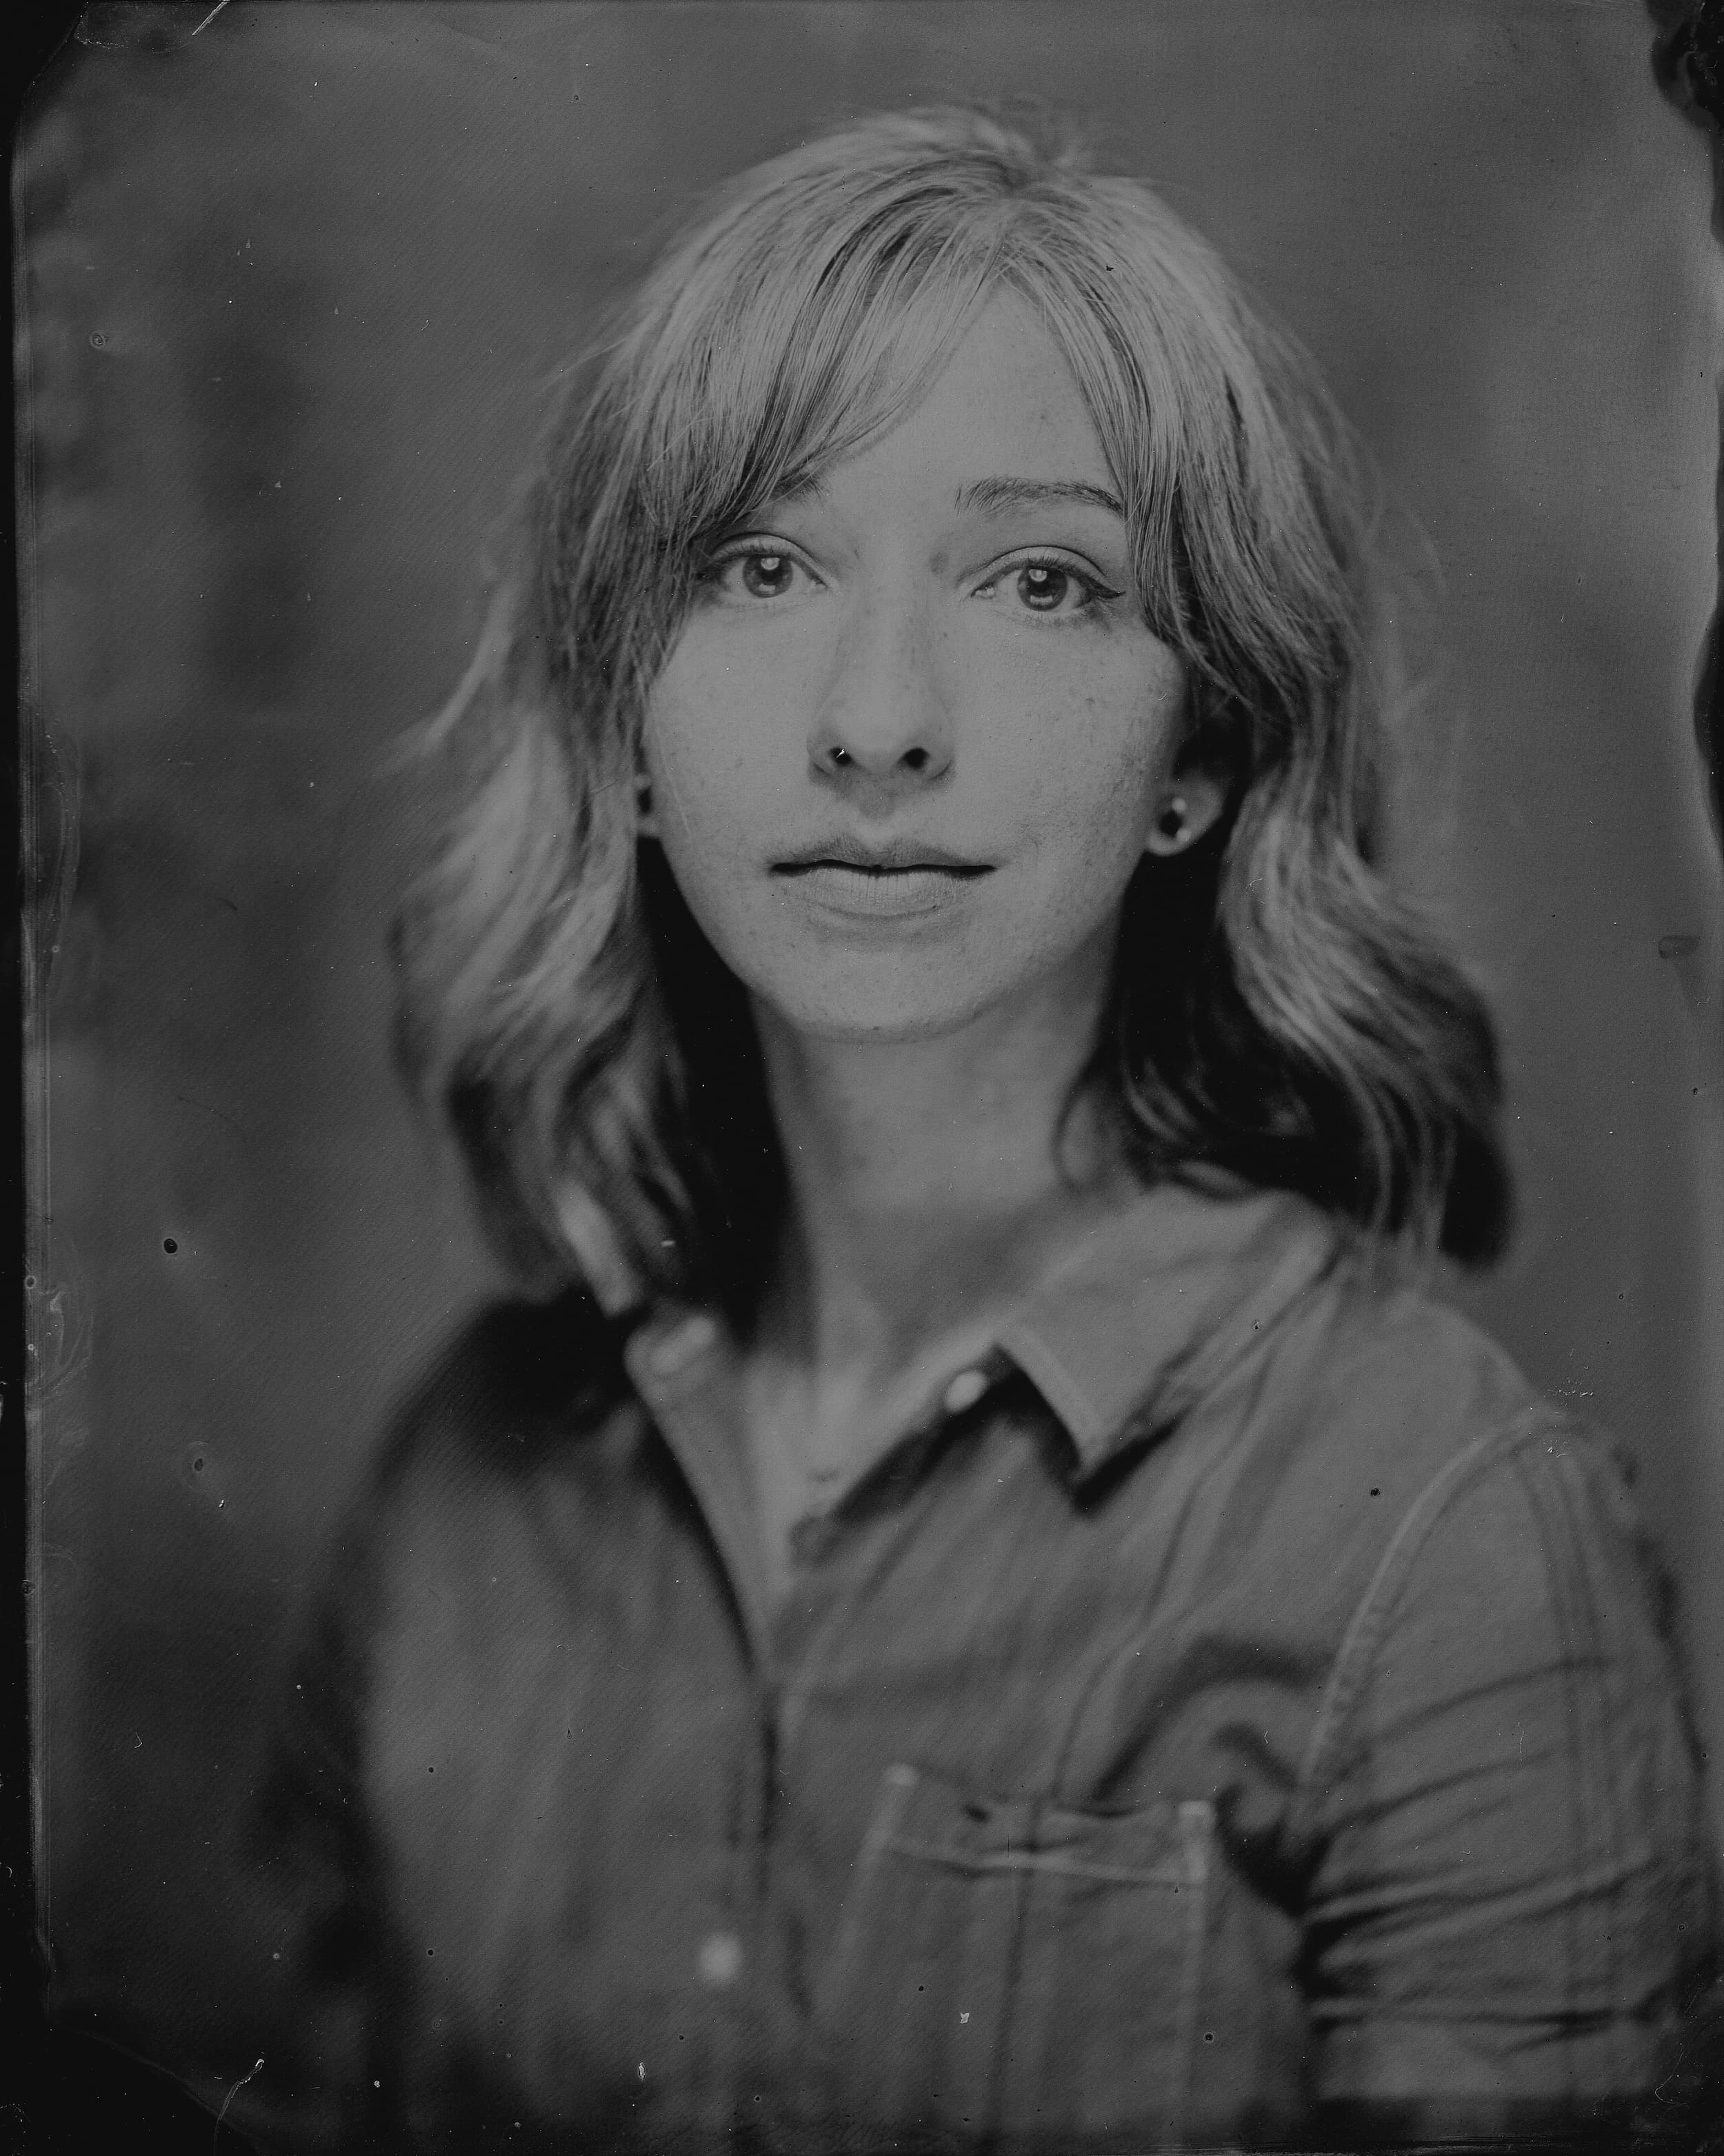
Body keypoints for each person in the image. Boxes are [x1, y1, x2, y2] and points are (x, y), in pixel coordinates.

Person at [238, 108, 1718, 2153]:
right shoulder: (463, 1486)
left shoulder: (1451, 1536)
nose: (877, 721)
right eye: (761, 565)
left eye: (1040, 581)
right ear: (627, 735)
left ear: (1200, 752)